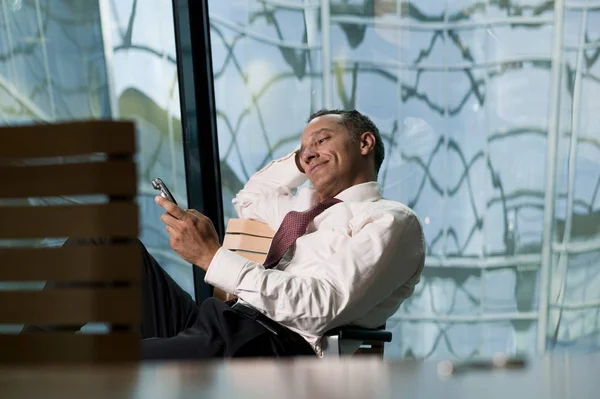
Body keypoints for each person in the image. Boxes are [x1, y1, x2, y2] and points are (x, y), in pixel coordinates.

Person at [29, 109, 425, 359]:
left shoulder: (390, 221)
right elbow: (251, 197)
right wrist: (305, 157)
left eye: (322, 140)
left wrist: (211, 257)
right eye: (303, 149)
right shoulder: (303, 207)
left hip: (271, 347)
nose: (308, 153)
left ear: (365, 143)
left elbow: (322, 306)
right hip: (219, 322)